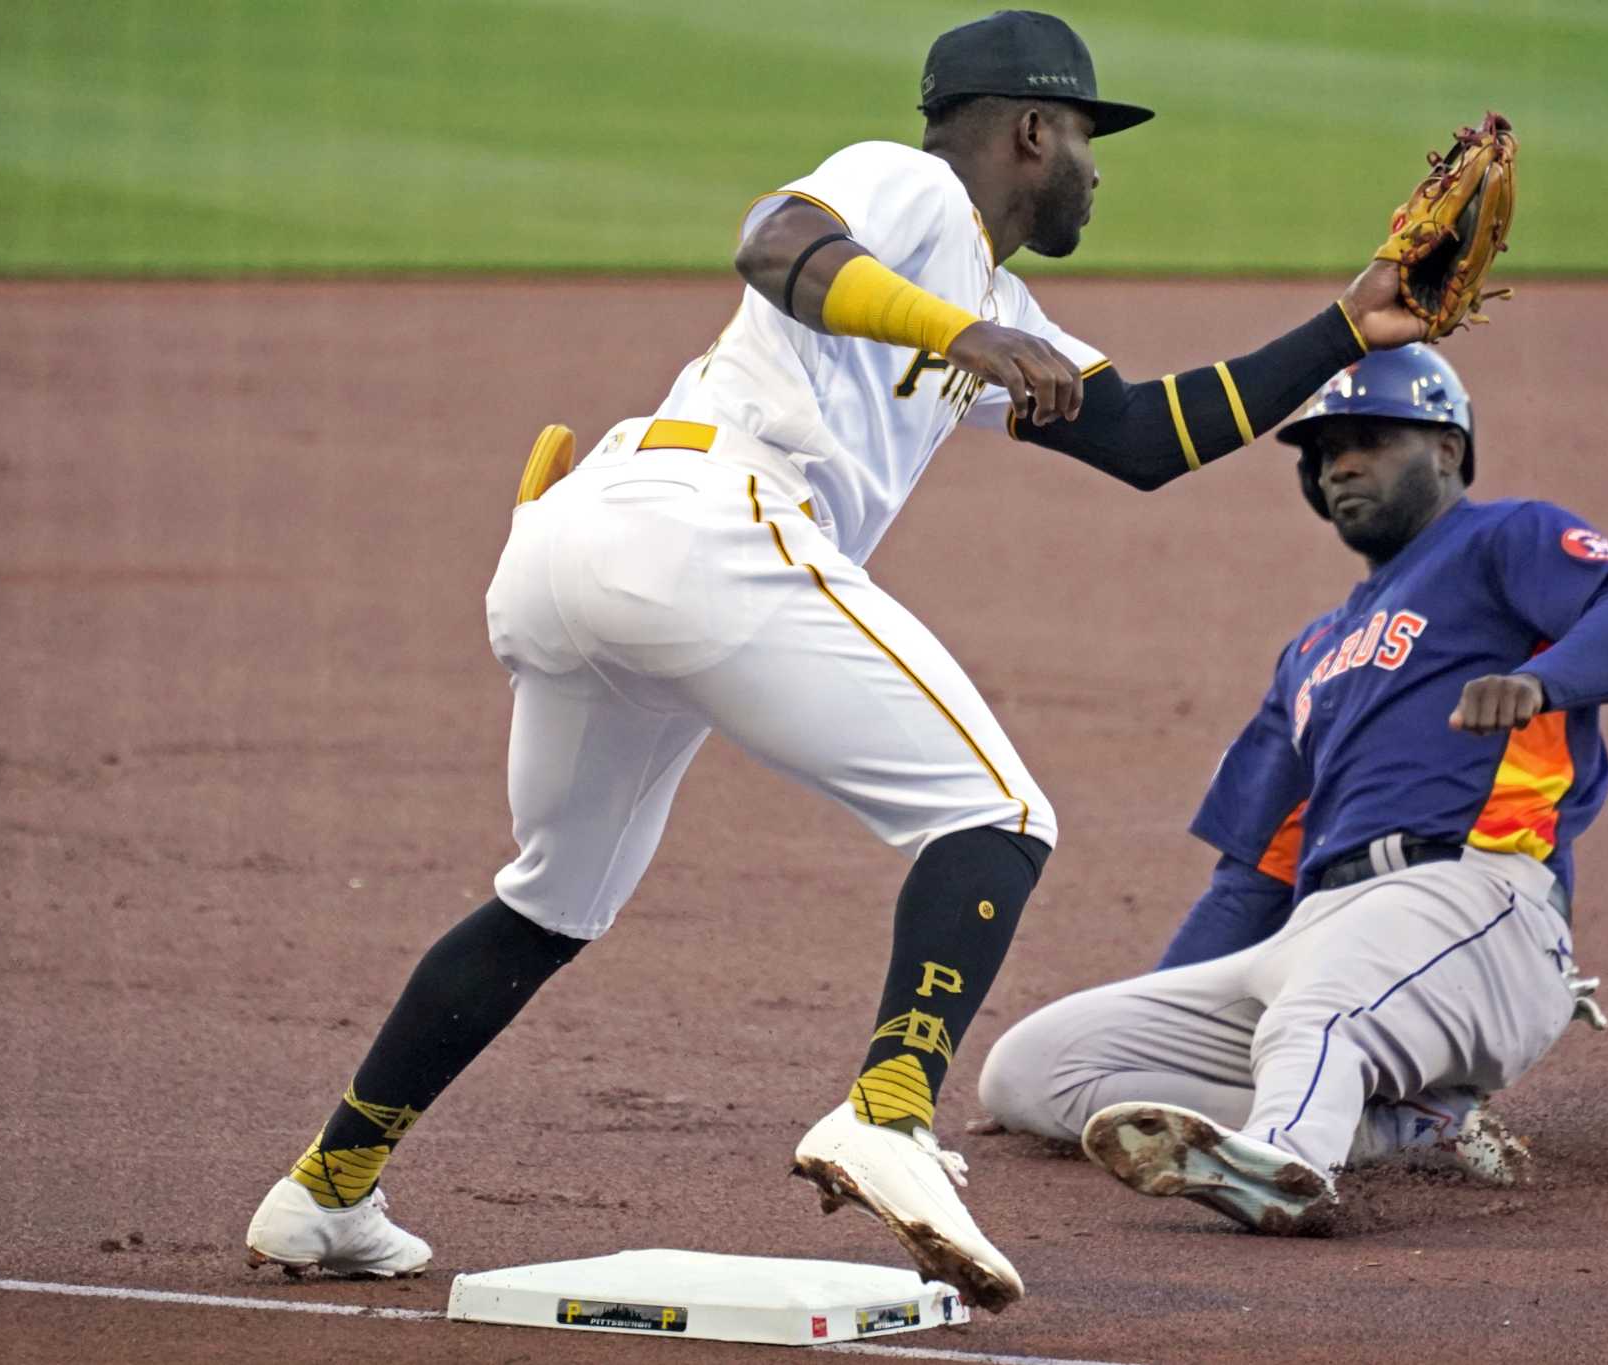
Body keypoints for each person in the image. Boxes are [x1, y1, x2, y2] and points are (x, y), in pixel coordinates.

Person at [242, 10, 1435, 1310]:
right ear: (1033, 129)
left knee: (550, 900)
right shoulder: (909, 183)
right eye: (1091, 135)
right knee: (1000, 814)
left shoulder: (993, 299)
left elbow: (1145, 432)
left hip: (587, 551)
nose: (1100, 166)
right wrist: (957, 335)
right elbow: (775, 244)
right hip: (701, 529)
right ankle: (889, 1110)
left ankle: (327, 1187)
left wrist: (1346, 325)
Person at [975, 345, 1608, 1232]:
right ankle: (1409, 1126)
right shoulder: (1311, 652)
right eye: (1320, 451)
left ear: (1449, 450)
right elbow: (1252, 878)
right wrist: (1161, 1027)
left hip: (1479, 902)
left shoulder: (1507, 538)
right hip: (1314, 928)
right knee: (1035, 1067)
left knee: (1320, 1010)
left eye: (1369, 439)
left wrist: (1545, 682)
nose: (1337, 463)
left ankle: (1291, 1166)